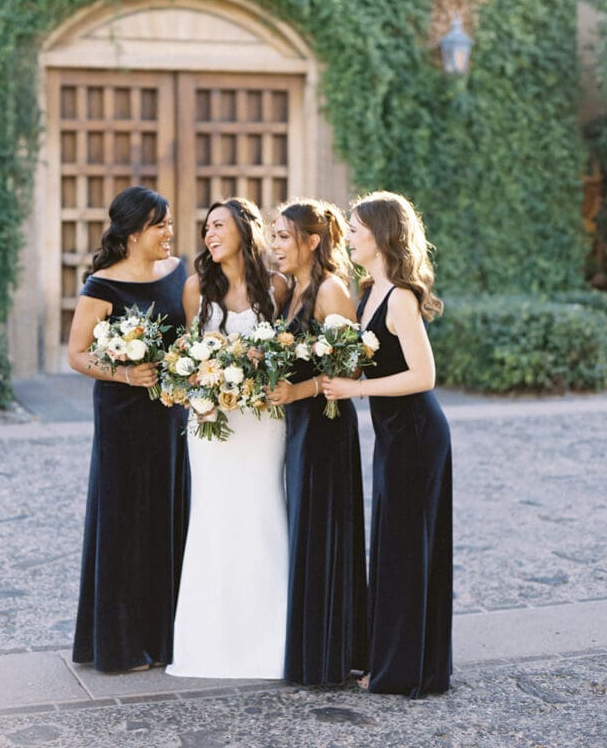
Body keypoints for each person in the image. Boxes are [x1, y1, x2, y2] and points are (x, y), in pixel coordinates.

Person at [322, 191, 452, 698]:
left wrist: (356, 389)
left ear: (380, 235)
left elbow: (423, 376)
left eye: (356, 228)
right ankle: (393, 659)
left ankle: (403, 671)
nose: (349, 236)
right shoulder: (367, 290)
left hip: (417, 434)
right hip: (393, 433)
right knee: (395, 548)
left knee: (404, 550)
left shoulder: (399, 295)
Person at [166, 198, 290, 679]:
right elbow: (189, 352)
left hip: (262, 422)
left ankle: (272, 642)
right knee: (213, 517)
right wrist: (195, 382)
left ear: (244, 230)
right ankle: (208, 644)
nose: (209, 234)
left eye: (219, 225)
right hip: (211, 425)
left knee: (261, 512)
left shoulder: (278, 287)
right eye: (206, 228)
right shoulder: (196, 288)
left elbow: (285, 352)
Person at [68, 186, 189, 672]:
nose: (169, 233)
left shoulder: (179, 273)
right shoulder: (102, 286)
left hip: (170, 415)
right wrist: (124, 373)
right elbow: (77, 354)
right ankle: (119, 645)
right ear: (134, 231)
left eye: (168, 225)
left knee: (168, 515)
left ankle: (166, 639)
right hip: (121, 419)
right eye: (160, 225)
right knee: (123, 522)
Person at [269, 199, 368, 686]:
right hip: (301, 423)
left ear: (312, 241)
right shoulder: (292, 289)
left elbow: (349, 368)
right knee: (305, 530)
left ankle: (332, 653)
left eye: (284, 236)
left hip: (327, 425)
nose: (275, 245)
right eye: (273, 235)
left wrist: (298, 390)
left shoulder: (331, 290)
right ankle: (311, 647)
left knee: (325, 532)